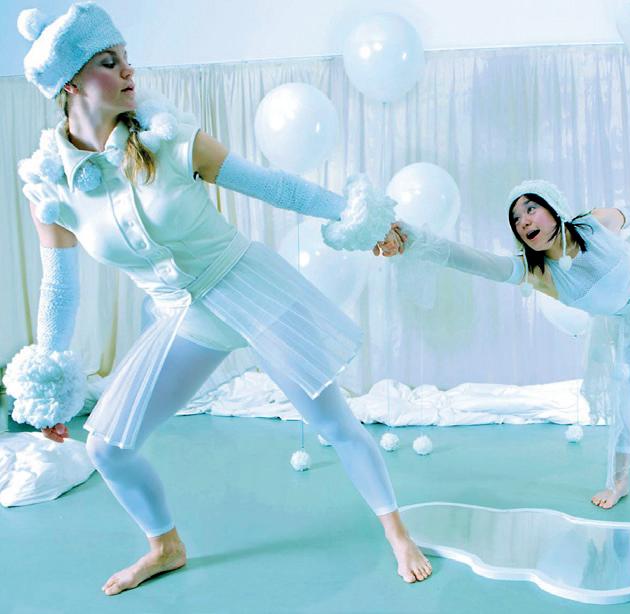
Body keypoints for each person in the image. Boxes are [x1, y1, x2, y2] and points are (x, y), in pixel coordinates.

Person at [7, 2, 431, 596]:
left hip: (249, 284)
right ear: (70, 83)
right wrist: (49, 380)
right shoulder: (50, 188)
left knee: (333, 424)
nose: (128, 70)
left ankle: (397, 534)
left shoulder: (168, 138)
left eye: (127, 57)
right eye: (108, 61)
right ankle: (165, 547)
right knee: (107, 446)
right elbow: (60, 285)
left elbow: (277, 187)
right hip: (184, 315)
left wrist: (363, 221)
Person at [375, 149, 630, 510]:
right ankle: (620, 480)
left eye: (530, 209)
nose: (524, 221)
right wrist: (411, 238)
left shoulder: (593, 223)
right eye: (516, 220)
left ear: (553, 208)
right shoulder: (535, 272)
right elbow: (466, 258)